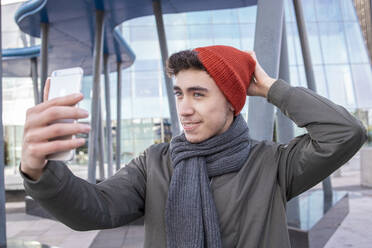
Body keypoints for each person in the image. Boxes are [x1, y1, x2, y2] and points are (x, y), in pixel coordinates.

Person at [20, 45, 367, 248]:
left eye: (198, 94)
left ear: (232, 102)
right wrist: (38, 171)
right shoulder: (155, 163)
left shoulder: (272, 163)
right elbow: (94, 209)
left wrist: (272, 89)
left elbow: (345, 132)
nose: (183, 108)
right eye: (179, 93)